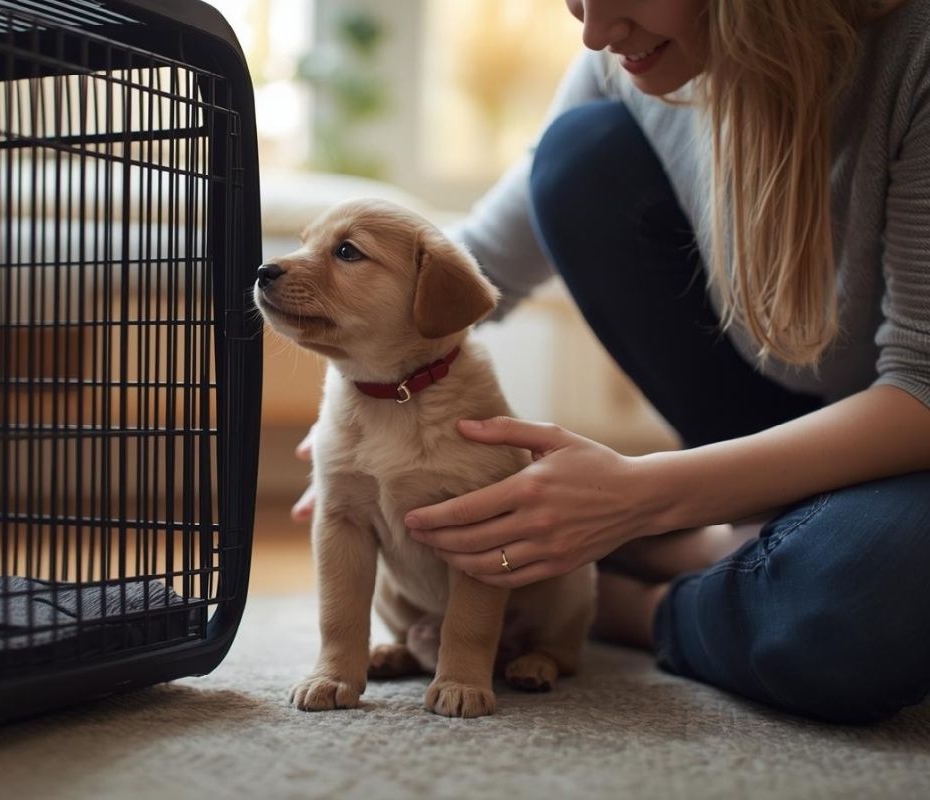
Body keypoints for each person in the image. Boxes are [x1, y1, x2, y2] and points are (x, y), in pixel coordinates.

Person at [291, 0, 930, 724]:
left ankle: (636, 597)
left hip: (904, 441)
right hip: (762, 418)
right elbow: (467, 266)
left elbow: (923, 382)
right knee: (577, 155)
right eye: (575, 1)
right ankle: (713, 544)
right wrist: (380, 388)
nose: (594, 32)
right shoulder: (621, 63)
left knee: (850, 618)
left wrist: (640, 496)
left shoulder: (916, 56)